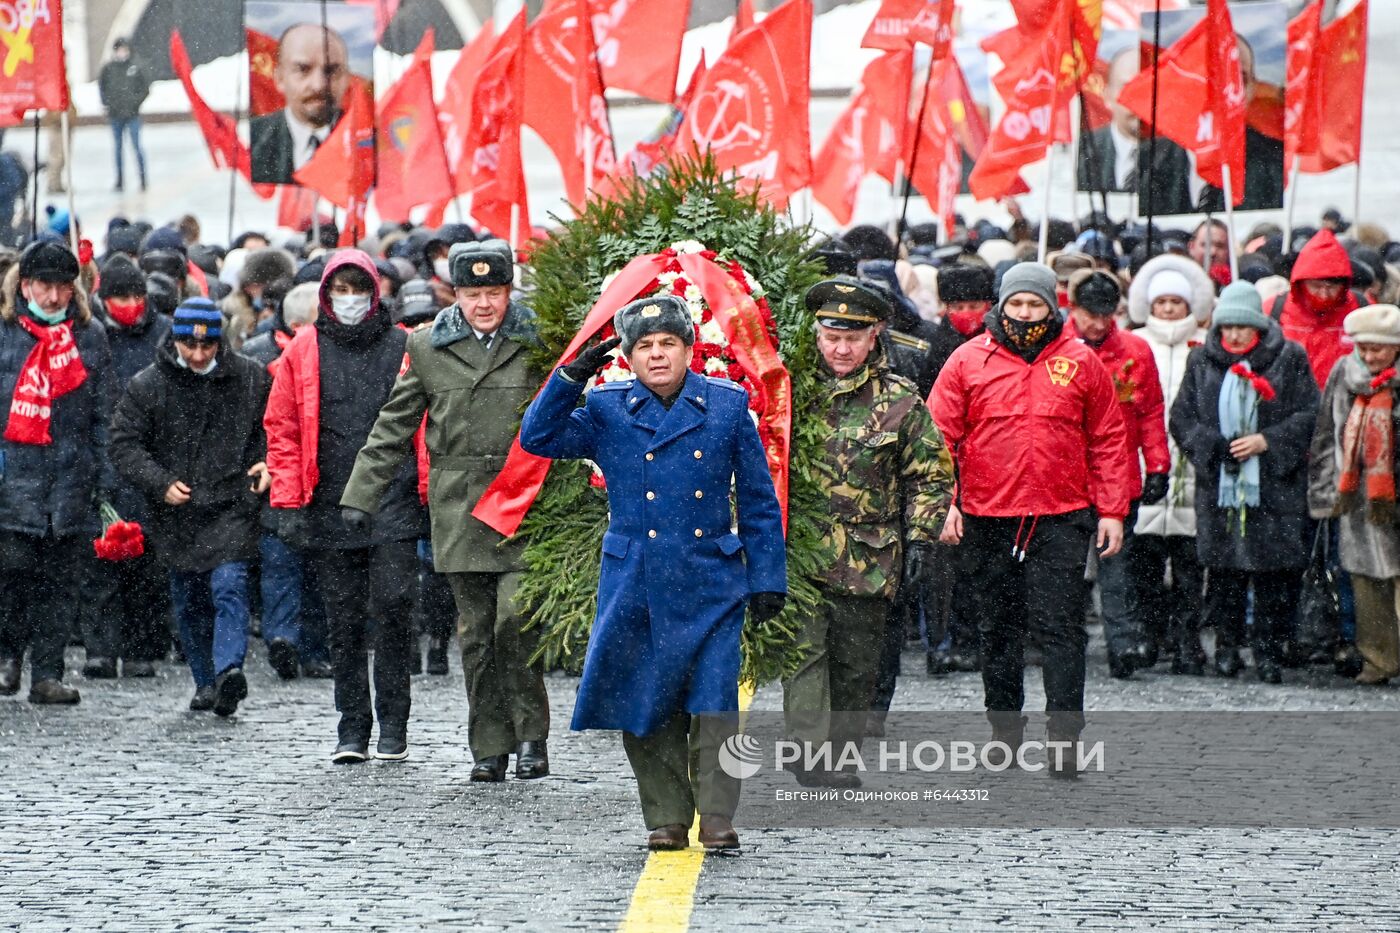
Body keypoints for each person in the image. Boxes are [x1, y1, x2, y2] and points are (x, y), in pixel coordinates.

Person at [518, 295, 787, 851]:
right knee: (647, 698)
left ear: (690, 349)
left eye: (668, 343)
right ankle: (664, 816)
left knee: (714, 702)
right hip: (635, 577)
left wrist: (766, 579)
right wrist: (570, 377)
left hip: (711, 576)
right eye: (644, 346)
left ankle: (716, 815)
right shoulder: (606, 408)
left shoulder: (727, 406)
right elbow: (537, 438)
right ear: (628, 357)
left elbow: (759, 501)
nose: (658, 355)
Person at [342, 241, 552, 780]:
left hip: (524, 499)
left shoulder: (538, 339)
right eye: (472, 293)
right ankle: (489, 745)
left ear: (510, 292)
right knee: (476, 633)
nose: (484, 304)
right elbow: (394, 423)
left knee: (514, 621)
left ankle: (531, 734)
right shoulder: (428, 344)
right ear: (453, 294)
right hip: (460, 509)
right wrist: (360, 496)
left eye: (494, 292)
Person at [928, 263, 1133, 774]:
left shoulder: (1081, 362)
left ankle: (1064, 737)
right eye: (1015, 304)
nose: (1024, 314)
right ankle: (1004, 731)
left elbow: (1109, 439)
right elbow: (939, 439)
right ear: (1001, 305)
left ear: (1051, 305)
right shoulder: (967, 360)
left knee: (1061, 628)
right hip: (987, 515)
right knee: (997, 628)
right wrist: (947, 501)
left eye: (1034, 305)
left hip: (1060, 516)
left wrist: (1112, 509)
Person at [783, 278, 952, 786]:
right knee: (805, 656)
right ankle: (809, 750)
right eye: (832, 335)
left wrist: (921, 538)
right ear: (816, 334)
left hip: (869, 555)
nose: (841, 348)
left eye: (853, 337)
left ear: (875, 335)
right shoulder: (790, 391)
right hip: (801, 550)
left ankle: (839, 756)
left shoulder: (899, 400)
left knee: (858, 666)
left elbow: (931, 474)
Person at [265, 251, 420, 763]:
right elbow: (283, 428)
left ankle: (394, 722)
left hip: (393, 501)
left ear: (374, 293)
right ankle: (352, 725)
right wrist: (287, 501)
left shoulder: (404, 345)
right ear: (326, 294)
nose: (350, 299)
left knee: (394, 608)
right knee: (344, 619)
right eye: (341, 289)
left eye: (359, 289)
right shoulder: (304, 349)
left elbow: (425, 423)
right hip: (329, 501)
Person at [109, 299, 270, 714]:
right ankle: (205, 682)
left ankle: (228, 669)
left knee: (229, 584)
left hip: (232, 500)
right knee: (190, 597)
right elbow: (124, 443)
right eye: (189, 347)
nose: (198, 356)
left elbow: (271, 427)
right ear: (175, 341)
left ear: (221, 342)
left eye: (208, 347)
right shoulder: (148, 384)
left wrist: (266, 462)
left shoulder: (250, 377)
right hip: (177, 509)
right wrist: (159, 482)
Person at [1170, 283, 1319, 683]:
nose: (1234, 335)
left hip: (1273, 484)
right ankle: (1228, 647)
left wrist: (1268, 441)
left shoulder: (1289, 358)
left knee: (1272, 575)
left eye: (1242, 327)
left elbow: (1310, 413)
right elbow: (1182, 417)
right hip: (1220, 484)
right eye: (1228, 327)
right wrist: (1214, 446)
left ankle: (1268, 651)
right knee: (1224, 574)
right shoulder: (1202, 359)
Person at [0, 242, 115, 705]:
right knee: (12, 575)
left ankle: (46, 672)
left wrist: (104, 482)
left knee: (60, 582)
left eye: (62, 288)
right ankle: (7, 657)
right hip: (14, 476)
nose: (52, 297)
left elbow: (104, 417)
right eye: (43, 286)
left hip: (71, 477)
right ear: (25, 285)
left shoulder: (91, 336)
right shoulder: (5, 331)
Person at [1064, 270, 1171, 678]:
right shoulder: (1059, 348)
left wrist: (1158, 464)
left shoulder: (1134, 351)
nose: (1098, 323)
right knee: (1068, 570)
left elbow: (1149, 412)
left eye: (1105, 315)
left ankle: (1123, 644)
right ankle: (1064, 640)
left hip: (1115, 473)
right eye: (1090, 314)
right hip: (1068, 474)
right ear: (1074, 309)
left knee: (1117, 566)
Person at [80, 255, 172, 680]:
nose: (129, 304)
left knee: (147, 566)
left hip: (151, 461)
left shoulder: (164, 335)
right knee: (101, 562)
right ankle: (100, 649)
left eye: (135, 296)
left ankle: (142, 649)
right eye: (120, 296)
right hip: (103, 457)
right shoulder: (91, 335)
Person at [1125, 254, 1216, 674]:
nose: (1167, 309)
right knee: (1143, 564)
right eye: (1160, 302)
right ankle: (1151, 635)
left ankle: (1187, 640)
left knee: (1189, 568)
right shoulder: (1134, 342)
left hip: (1192, 466)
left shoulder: (1205, 345)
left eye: (1175, 302)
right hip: (1146, 464)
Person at [239, 281, 329, 680]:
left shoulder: (329, 353)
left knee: (312, 570)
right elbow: (247, 422)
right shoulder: (259, 358)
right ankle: (285, 640)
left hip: (317, 476)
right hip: (272, 475)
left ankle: (308, 646)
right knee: (281, 564)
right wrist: (262, 461)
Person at [1309, 305, 1400, 685]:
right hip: (1359, 495)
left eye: (1378, 348)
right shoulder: (1344, 374)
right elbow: (1327, 434)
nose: (1370, 356)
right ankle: (1378, 659)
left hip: (1394, 486)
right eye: (1364, 348)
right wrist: (1324, 490)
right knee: (1366, 580)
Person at [249, 24, 351, 185]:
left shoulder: (368, 141)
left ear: (346, 78)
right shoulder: (252, 140)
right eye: (303, 69)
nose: (318, 85)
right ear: (280, 78)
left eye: (331, 70)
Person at [1271, 229, 1361, 390]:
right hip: (1291, 405)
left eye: (1332, 287)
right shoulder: (1274, 308)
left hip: (1345, 404)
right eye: (1316, 286)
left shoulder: (1360, 309)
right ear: (1301, 282)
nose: (1324, 294)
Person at [97, 38, 151, 192]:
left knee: (136, 146)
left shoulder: (135, 67)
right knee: (118, 148)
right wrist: (108, 104)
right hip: (115, 115)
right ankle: (120, 180)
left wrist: (134, 102)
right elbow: (103, 88)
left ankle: (143, 178)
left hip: (132, 113)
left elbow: (145, 88)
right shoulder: (109, 69)